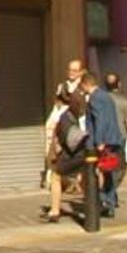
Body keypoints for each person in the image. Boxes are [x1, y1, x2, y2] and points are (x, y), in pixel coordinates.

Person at [43, 79, 93, 222]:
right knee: (86, 178)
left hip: (73, 154)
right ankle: (92, 206)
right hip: (86, 152)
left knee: (56, 176)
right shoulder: (85, 115)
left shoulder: (66, 116)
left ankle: (54, 211)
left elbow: (70, 140)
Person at [86, 71, 125, 219]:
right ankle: (110, 203)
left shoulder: (95, 98)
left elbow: (100, 120)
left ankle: (105, 202)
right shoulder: (106, 96)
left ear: (86, 84)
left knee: (102, 172)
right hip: (113, 138)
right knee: (108, 172)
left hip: (104, 141)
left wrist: (99, 141)